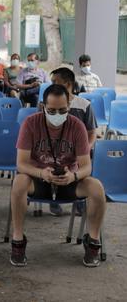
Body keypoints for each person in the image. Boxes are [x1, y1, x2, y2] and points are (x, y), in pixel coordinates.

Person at [10, 84, 106, 268]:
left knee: (96, 188)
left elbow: (87, 166)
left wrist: (74, 176)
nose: (57, 115)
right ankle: (18, 240)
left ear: (69, 106)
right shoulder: (30, 124)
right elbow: (21, 163)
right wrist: (41, 173)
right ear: (43, 107)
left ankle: (93, 241)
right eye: (52, 110)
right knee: (19, 182)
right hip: (39, 179)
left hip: (68, 180)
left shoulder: (77, 126)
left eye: (62, 110)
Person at [47, 68, 97, 216]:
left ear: (67, 83)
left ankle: (80, 200)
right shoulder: (48, 103)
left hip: (78, 151)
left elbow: (92, 132)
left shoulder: (84, 105)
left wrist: (86, 149)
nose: (52, 85)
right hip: (54, 149)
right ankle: (53, 198)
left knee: (85, 164)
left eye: (55, 82)